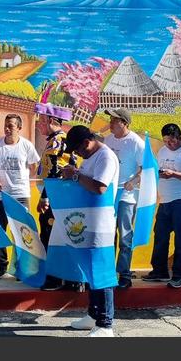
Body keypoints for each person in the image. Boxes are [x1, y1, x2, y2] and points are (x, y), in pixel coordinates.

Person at [61, 125, 120, 337]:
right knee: (91, 270)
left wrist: (76, 176)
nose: (76, 154)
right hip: (88, 222)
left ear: (87, 142)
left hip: (101, 225)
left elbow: (100, 187)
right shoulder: (90, 157)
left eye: (77, 150)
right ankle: (94, 315)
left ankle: (105, 324)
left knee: (101, 272)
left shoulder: (105, 157)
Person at [143, 123, 181, 289]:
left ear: (180, 137)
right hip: (165, 201)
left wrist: (174, 174)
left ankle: (179, 275)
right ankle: (159, 270)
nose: (169, 144)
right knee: (160, 236)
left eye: (172, 141)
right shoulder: (162, 151)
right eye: (166, 141)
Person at [35, 93, 82, 292]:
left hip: (57, 197)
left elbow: (55, 172)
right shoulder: (55, 140)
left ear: (53, 121)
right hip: (59, 196)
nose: (39, 125)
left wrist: (45, 196)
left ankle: (56, 278)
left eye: (42, 121)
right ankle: (68, 278)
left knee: (52, 236)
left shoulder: (58, 142)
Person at [0, 114, 40, 281]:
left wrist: (21, 179)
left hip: (21, 195)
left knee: (21, 233)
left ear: (19, 128)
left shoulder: (26, 146)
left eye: (11, 125)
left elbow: (34, 166)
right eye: (6, 125)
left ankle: (20, 268)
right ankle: (1, 266)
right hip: (0, 195)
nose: (7, 128)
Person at [102, 108, 144, 289]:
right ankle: (108, 272)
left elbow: (146, 169)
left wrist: (133, 181)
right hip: (109, 195)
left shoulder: (136, 143)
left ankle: (124, 274)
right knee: (108, 235)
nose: (110, 122)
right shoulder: (108, 139)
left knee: (125, 235)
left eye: (114, 120)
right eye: (110, 119)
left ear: (124, 123)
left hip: (127, 196)